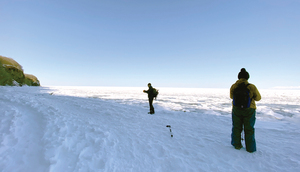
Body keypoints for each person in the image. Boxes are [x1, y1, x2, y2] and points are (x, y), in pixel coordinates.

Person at [230, 68, 261, 153]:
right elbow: (258, 98)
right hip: (249, 109)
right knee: (249, 129)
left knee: (236, 127)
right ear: (247, 77)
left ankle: (236, 145)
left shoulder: (234, 86)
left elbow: (231, 96)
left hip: (236, 109)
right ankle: (250, 148)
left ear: (238, 77)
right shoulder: (251, 86)